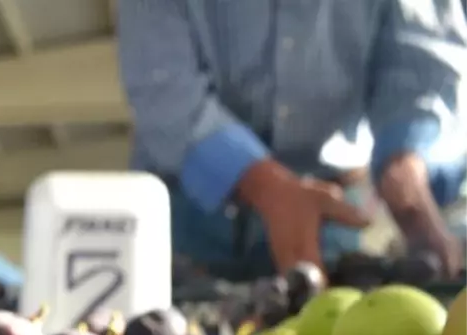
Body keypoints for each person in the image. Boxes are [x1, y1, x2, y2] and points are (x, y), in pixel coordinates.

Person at [117, 0, 467, 281]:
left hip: (328, 216)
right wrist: (270, 188)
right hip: (187, 218)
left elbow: (422, 66)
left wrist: (404, 171)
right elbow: (162, 87)